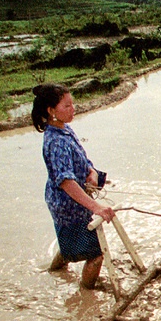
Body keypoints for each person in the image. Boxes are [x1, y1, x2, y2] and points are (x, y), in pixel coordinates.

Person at [32, 83, 116, 289]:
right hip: (67, 204)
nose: (73, 109)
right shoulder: (56, 142)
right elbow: (66, 182)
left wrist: (92, 172)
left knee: (71, 240)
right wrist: (96, 207)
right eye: (67, 106)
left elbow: (81, 158)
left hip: (74, 198)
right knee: (96, 254)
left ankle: (54, 271)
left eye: (72, 104)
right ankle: (85, 295)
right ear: (51, 111)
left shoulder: (64, 129)